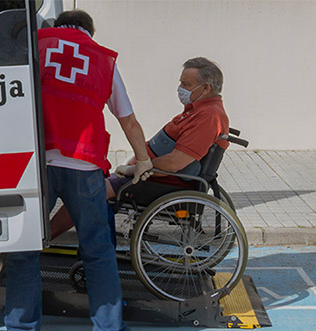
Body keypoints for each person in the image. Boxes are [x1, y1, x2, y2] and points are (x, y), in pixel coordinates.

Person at [3, 9, 152, 331]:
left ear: (58, 26)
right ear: (89, 32)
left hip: (36, 163)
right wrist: (142, 159)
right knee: (98, 250)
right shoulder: (102, 59)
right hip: (84, 166)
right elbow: (128, 120)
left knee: (24, 250)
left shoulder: (33, 46)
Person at [51, 57, 230, 239]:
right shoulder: (197, 111)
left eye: (186, 84)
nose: (180, 89)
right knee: (90, 186)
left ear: (206, 88)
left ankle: (50, 234)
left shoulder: (208, 116)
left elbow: (176, 162)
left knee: (89, 192)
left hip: (161, 180)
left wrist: (135, 168)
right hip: (152, 174)